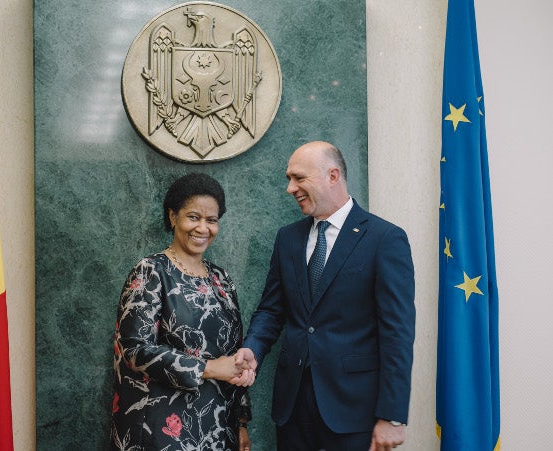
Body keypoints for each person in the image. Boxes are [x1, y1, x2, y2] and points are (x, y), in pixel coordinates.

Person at [233, 141, 416, 451]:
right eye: (288, 178)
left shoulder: (385, 239)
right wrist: (253, 349)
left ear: (333, 175)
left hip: (354, 412)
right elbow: (271, 311)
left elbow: (397, 333)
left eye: (299, 178)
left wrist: (392, 417)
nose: (290, 188)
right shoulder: (287, 238)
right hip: (292, 411)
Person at [110, 173, 255, 451]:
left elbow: (236, 352)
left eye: (211, 220)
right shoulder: (151, 271)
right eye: (193, 217)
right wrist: (210, 368)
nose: (203, 228)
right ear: (173, 216)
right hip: (160, 428)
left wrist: (241, 423)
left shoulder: (221, 280)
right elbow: (134, 350)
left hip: (217, 428)